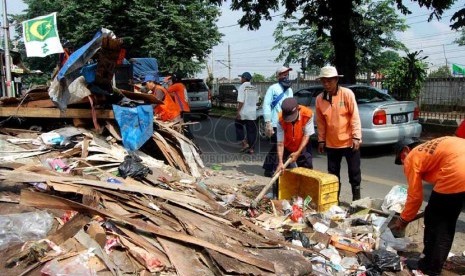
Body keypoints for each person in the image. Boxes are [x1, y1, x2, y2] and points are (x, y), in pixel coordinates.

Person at [390, 136, 465, 276]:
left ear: (406, 150)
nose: (403, 163)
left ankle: (430, 268)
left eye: (401, 159)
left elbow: (415, 197)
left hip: (457, 171)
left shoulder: (411, 157)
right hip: (458, 167)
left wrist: (404, 219)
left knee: (437, 222)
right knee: (446, 220)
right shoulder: (429, 148)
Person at [315, 65, 362, 201]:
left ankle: (357, 201)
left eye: (329, 80)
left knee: (354, 173)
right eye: (324, 81)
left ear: (336, 80)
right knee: (333, 174)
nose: (326, 84)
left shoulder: (347, 94)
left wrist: (356, 136)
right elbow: (321, 122)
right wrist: (321, 140)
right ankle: (335, 201)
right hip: (331, 143)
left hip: (349, 142)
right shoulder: (319, 99)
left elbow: (355, 116)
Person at [262, 66, 294, 177]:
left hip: (287, 122)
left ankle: (270, 166)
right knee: (277, 145)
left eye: (287, 74)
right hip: (275, 122)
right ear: (278, 76)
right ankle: (270, 169)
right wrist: (268, 122)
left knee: (282, 145)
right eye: (283, 74)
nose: (286, 76)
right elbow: (266, 104)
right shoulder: (273, 88)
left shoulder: (289, 90)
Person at [276, 97, 314, 173]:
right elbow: (280, 143)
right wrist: (280, 162)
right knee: (282, 171)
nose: (290, 120)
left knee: (307, 169)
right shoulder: (280, 119)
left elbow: (306, 136)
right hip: (287, 144)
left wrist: (298, 152)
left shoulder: (307, 114)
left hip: (302, 144)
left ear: (298, 109)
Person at [235, 72, 258, 154]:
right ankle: (251, 149)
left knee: (238, 125)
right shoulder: (254, 88)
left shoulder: (242, 87)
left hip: (243, 112)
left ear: (244, 78)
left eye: (241, 78)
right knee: (251, 131)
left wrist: (238, 111)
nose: (241, 79)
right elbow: (256, 101)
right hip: (252, 113)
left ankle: (244, 144)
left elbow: (241, 101)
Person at [165, 74, 194, 139]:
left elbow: (165, 91)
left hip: (182, 110)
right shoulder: (181, 86)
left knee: (185, 129)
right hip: (186, 110)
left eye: (170, 81)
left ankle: (193, 144)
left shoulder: (177, 86)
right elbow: (172, 95)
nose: (169, 82)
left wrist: (167, 84)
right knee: (184, 129)